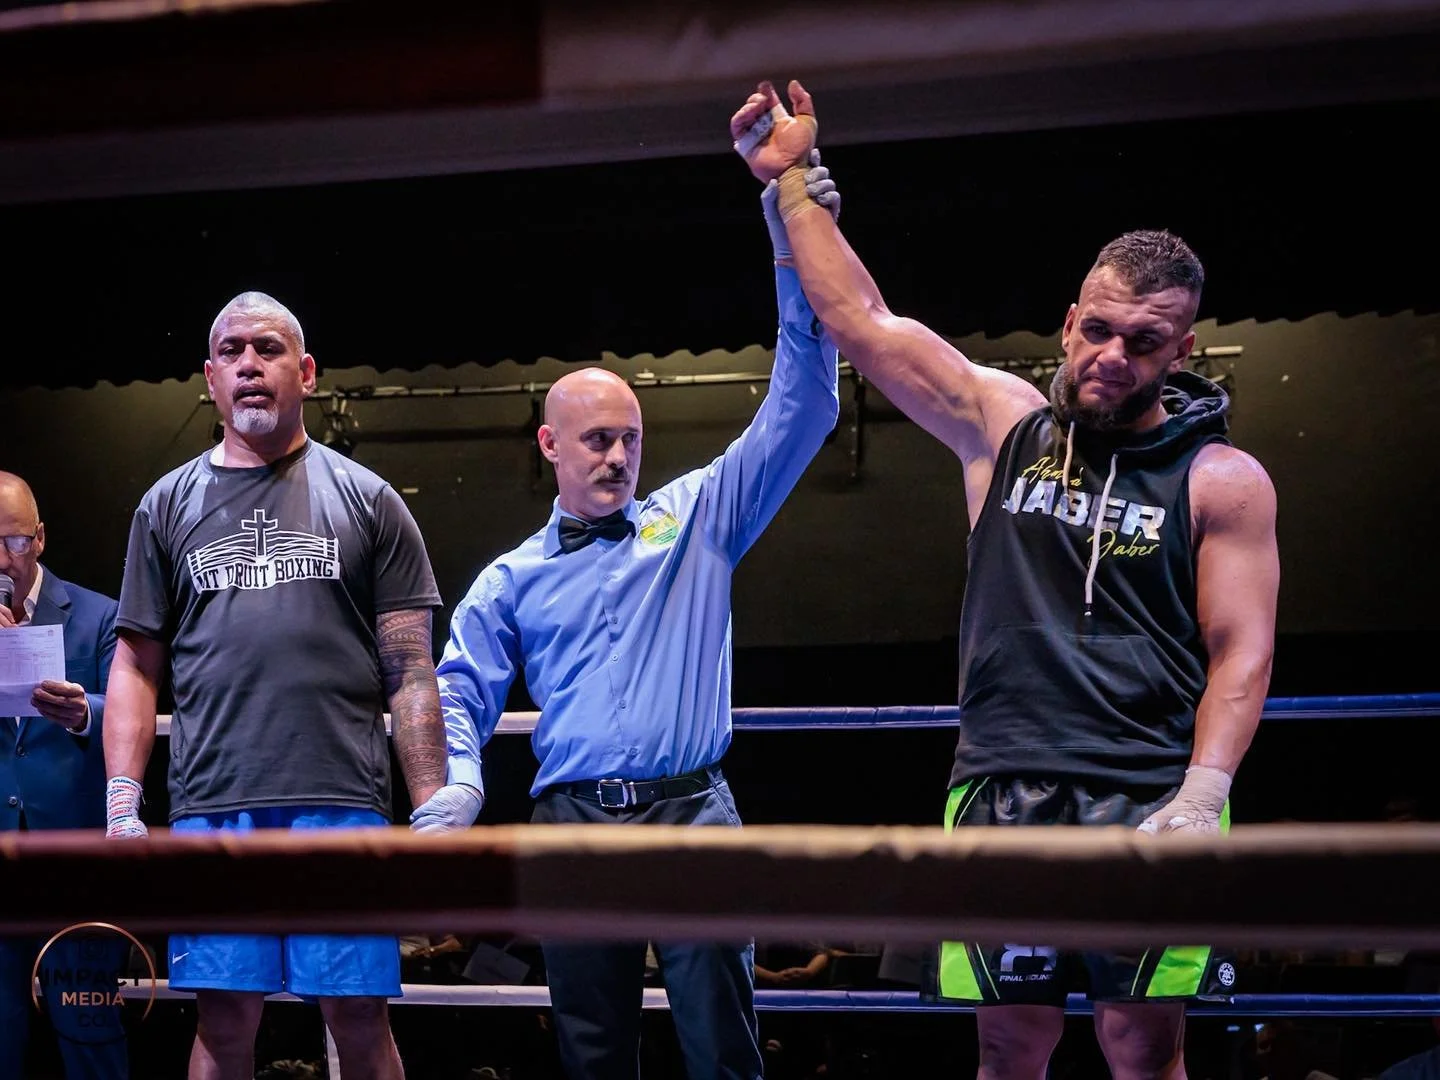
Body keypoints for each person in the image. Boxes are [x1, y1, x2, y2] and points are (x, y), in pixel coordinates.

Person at [731, 81, 1280, 1080]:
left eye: (1144, 342)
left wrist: (1205, 794)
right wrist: (795, 187)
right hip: (1001, 786)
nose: (1112, 357)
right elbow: (860, 319)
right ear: (1070, 320)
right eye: (1099, 330)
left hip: (1149, 787)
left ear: (1183, 349)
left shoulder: (1221, 480)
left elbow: (1240, 650)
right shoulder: (1004, 425)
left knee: (1144, 1046)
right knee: (1009, 1039)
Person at [422, 219, 841, 1080]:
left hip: (693, 813)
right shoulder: (512, 577)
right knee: (592, 1050)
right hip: (572, 824)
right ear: (550, 446)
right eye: (597, 440)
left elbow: (804, 406)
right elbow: (456, 688)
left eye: (631, 439)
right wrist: (458, 778)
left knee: (725, 1048)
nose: (619, 458)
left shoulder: (699, 518)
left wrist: (793, 235)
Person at [103, 291, 472, 1080]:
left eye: (267, 349)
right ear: (210, 378)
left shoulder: (370, 500)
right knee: (223, 1015)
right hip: (214, 803)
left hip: (341, 800)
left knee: (358, 1016)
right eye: (231, 351)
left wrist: (433, 801)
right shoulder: (164, 506)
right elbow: (136, 662)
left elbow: (408, 664)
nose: (248, 365)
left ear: (304, 371)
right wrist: (122, 798)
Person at [0, 472, 128, 1080]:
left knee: (90, 1037)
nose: (2, 559)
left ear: (41, 539)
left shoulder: (98, 614)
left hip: (75, 865)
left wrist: (83, 713)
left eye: (15, 542)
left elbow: (127, 713)